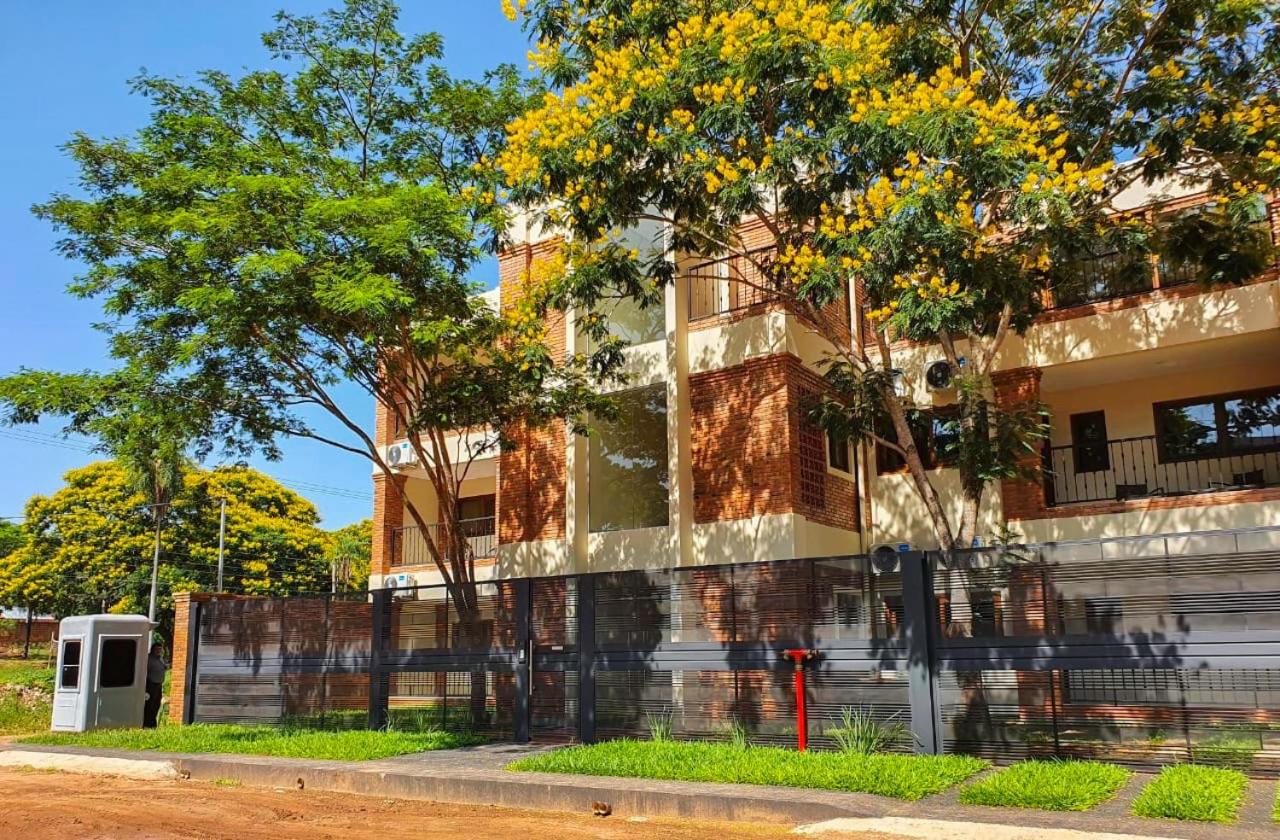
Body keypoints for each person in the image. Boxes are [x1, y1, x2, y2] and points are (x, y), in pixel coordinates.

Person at [143, 642, 166, 728]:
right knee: (150, 705)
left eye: (160, 649)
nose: (159, 651)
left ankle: (153, 723)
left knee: (157, 704)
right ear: (153, 649)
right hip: (150, 685)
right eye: (157, 649)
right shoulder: (149, 659)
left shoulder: (160, 658)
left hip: (158, 685)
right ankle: (147, 724)